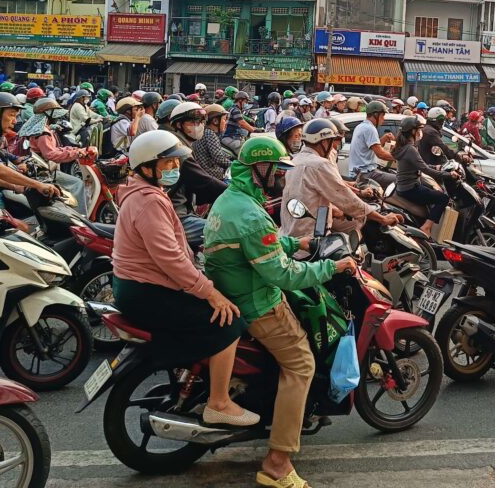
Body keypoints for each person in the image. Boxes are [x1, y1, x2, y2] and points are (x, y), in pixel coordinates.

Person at [204, 137, 357, 488]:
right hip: (259, 303)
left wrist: (295, 242)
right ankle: (277, 462)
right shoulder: (250, 214)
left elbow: (260, 246)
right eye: (276, 170)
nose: (281, 177)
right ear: (260, 169)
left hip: (237, 290)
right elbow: (283, 275)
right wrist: (332, 269)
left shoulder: (233, 200)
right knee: (302, 364)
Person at [113, 131, 259, 428]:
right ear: (147, 167)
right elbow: (170, 259)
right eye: (167, 164)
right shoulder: (148, 200)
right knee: (229, 321)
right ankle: (219, 402)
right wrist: (209, 292)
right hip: (146, 291)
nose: (174, 170)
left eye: (175, 163)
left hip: (139, 285)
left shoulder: (141, 192)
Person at [281, 118, 401, 239]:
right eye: (332, 141)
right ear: (324, 142)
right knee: (357, 229)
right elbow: (346, 199)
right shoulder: (319, 164)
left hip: (291, 233)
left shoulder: (296, 161)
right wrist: (382, 218)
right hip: (312, 238)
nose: (334, 146)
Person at [392, 116, 460, 236]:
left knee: (432, 192)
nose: (420, 132)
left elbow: (421, 165)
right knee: (443, 198)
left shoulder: (403, 147)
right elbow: (425, 169)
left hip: (404, 186)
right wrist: (448, 175)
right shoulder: (410, 149)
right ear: (413, 131)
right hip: (410, 188)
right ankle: (426, 227)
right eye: (418, 129)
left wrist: (437, 167)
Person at [168, 102, 228, 226]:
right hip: (178, 215)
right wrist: (232, 192)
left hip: (183, 208)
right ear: (179, 125)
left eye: (201, 122)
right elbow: (204, 181)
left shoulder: (183, 144)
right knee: (224, 230)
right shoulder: (180, 152)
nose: (200, 126)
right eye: (194, 122)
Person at [347, 101, 396, 186]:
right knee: (401, 180)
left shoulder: (361, 126)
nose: (384, 118)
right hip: (365, 174)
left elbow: (370, 147)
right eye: (382, 115)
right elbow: (381, 154)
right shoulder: (370, 129)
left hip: (360, 172)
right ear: (376, 115)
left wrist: (384, 138)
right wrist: (400, 157)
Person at [193, 104, 234, 180]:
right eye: (224, 119)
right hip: (211, 177)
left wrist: (229, 156)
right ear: (215, 121)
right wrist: (236, 165)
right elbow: (219, 159)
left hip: (204, 174)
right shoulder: (210, 134)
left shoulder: (204, 131)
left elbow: (216, 152)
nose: (226, 123)